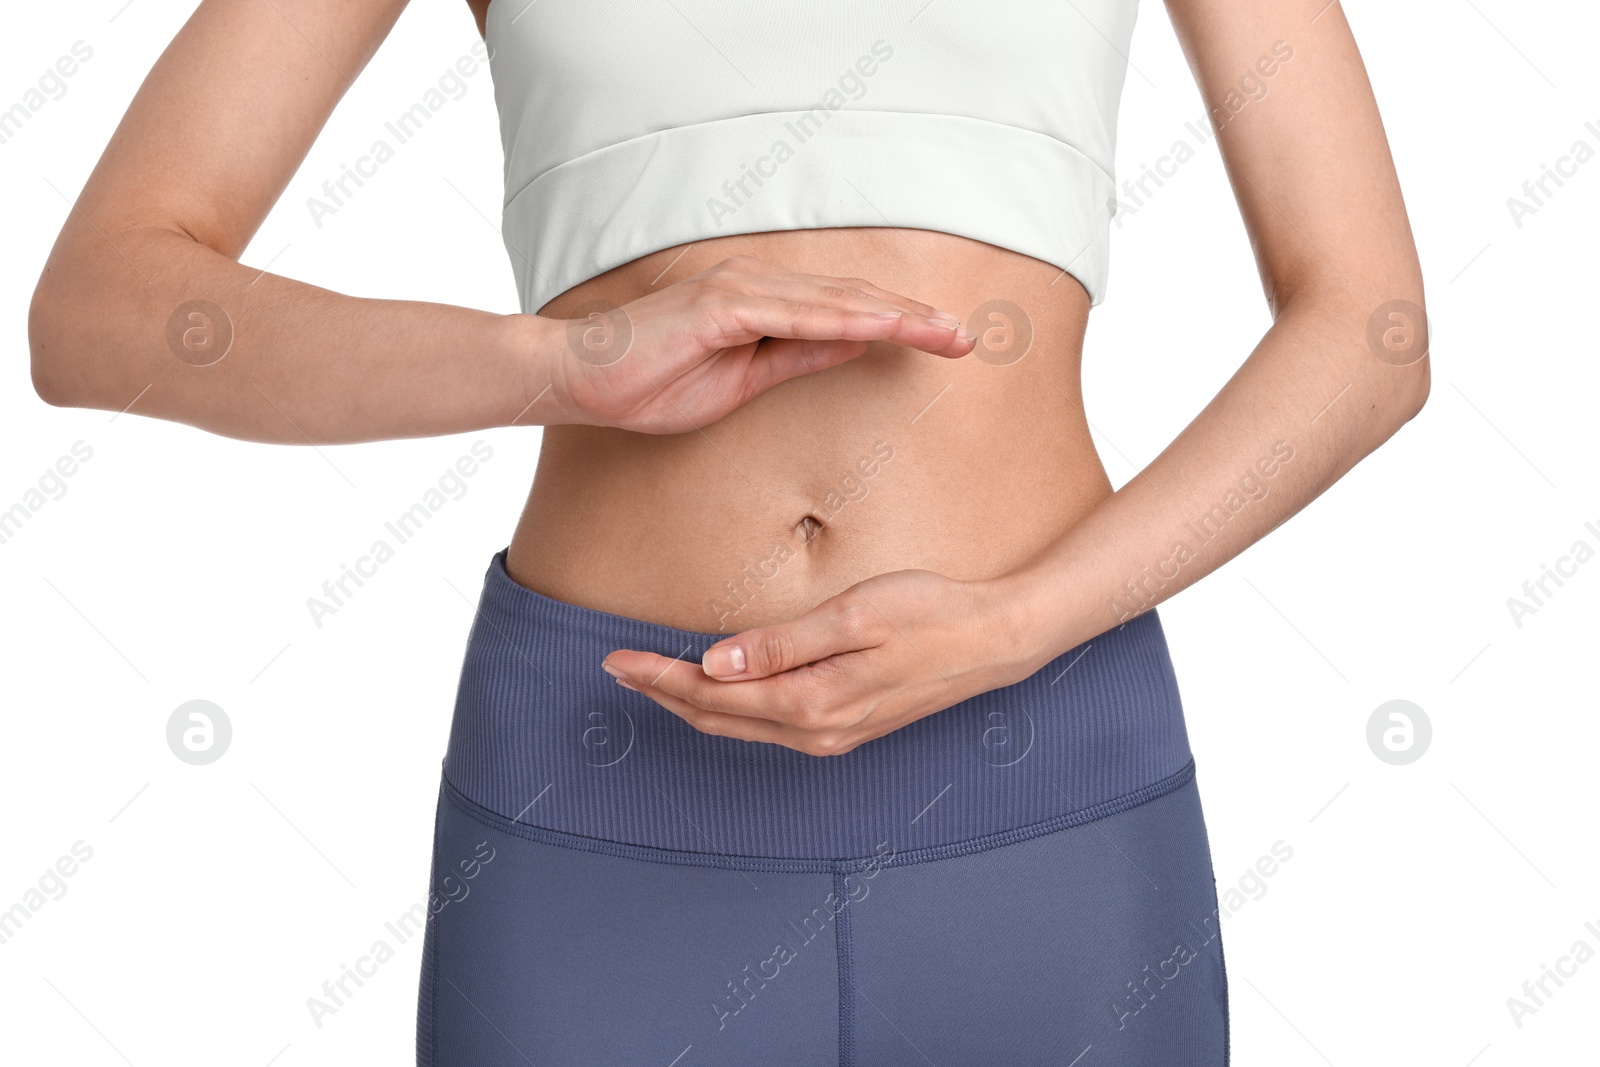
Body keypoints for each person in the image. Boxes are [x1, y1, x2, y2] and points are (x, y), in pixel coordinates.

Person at [27, 0, 1429, 1063]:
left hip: (1043, 781)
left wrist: (1021, 625)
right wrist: (561, 362)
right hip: (602, 798)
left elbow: (1370, 328)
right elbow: (99, 309)